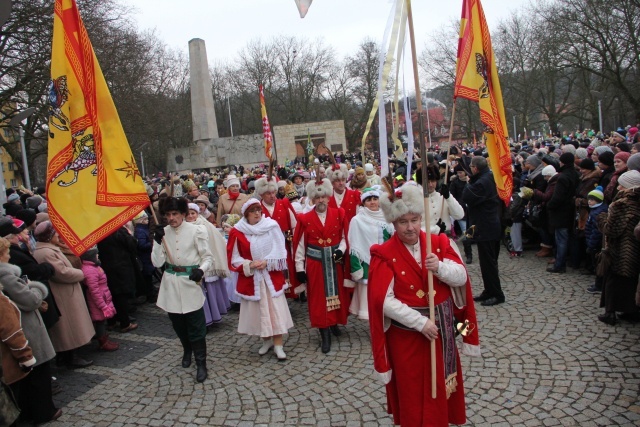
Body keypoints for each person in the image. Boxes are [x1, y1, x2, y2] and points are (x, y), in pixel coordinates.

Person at [367, 182, 480, 427]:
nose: (410, 227)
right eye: (403, 222)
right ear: (394, 223)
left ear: (421, 218)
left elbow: (462, 277)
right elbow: (383, 301)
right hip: (407, 336)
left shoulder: (438, 243)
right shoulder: (384, 253)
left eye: (414, 220)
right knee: (412, 390)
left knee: (441, 386)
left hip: (442, 333)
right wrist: (420, 323)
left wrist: (439, 268)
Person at [152, 197, 215, 382]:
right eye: (168, 215)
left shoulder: (197, 230)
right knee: (178, 324)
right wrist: (156, 242)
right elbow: (157, 262)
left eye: (175, 214)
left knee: (196, 325)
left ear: (183, 214)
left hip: (190, 283)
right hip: (170, 284)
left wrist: (201, 270)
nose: (171, 218)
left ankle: (201, 362)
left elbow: (208, 257)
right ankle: (187, 349)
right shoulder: (162, 232)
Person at [0, 237, 61, 423]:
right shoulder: (6, 276)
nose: (10, 254)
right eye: (6, 251)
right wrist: (35, 289)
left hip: (22, 326)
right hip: (26, 328)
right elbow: (30, 300)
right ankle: (43, 411)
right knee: (38, 374)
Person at [227, 199, 294, 360]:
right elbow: (233, 257)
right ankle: (266, 341)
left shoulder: (271, 226)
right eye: (253, 210)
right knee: (259, 313)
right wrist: (249, 264)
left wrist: (267, 262)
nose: (257, 213)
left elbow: (280, 249)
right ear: (246, 214)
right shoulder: (237, 231)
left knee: (275, 311)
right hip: (252, 279)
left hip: (270, 276)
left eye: (259, 209)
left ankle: (278, 345)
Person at [293, 177, 350, 353]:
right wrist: (299, 269)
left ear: (328, 197)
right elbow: (300, 244)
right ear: (312, 199)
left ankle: (334, 323)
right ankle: (324, 331)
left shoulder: (339, 214)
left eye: (323, 197)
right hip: (316, 264)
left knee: (337, 293)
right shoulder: (304, 218)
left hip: (334, 262)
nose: (320, 201)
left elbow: (344, 237)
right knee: (318, 299)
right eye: (317, 198)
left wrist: (341, 250)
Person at [32, 221, 95, 369]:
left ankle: (70, 355)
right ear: (49, 236)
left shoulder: (48, 249)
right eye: (55, 234)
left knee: (71, 325)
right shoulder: (46, 252)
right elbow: (61, 273)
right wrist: (81, 273)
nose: (58, 236)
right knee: (70, 327)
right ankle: (70, 356)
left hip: (66, 292)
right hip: (64, 293)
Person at [597, 170, 640, 325]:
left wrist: (601, 218)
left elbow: (612, 229)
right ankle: (631, 310)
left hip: (620, 248)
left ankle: (610, 312)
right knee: (630, 281)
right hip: (634, 248)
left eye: (621, 185)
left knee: (613, 281)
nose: (618, 187)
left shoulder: (622, 204)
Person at [463, 156, 505, 306]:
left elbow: (468, 196)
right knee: (485, 262)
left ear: (475, 168)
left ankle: (497, 294)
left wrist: (467, 183)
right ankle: (489, 290)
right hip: (487, 224)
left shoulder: (484, 181)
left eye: (471, 167)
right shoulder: (487, 176)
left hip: (487, 226)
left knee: (489, 263)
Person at [348, 186, 394, 320]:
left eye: (375, 199)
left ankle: (385, 317)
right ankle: (372, 321)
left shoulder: (387, 217)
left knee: (386, 292)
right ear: (363, 202)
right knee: (369, 295)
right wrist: (356, 267)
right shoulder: (357, 220)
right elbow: (354, 245)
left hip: (386, 261)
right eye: (369, 200)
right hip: (367, 263)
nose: (372, 202)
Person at [254, 177, 301, 300]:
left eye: (273, 192)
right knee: (273, 274)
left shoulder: (284, 203)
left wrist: (294, 242)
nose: (272, 195)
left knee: (288, 270)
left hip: (285, 245)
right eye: (268, 193)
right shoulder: (257, 208)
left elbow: (294, 224)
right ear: (261, 194)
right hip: (267, 249)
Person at [186, 203, 230, 325]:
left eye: (193, 213)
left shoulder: (205, 225)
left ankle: (212, 315)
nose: (190, 216)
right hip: (192, 264)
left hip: (207, 263)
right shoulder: (182, 227)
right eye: (188, 213)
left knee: (208, 292)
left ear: (197, 214)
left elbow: (214, 242)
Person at [97, 227, 140, 332]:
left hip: (106, 266)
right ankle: (125, 323)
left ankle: (112, 321)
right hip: (120, 267)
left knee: (110, 295)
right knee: (121, 296)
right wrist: (129, 234)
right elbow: (132, 245)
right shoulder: (117, 230)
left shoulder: (98, 231)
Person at [80, 247, 119, 351]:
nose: (98, 256)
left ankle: (105, 339)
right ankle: (103, 342)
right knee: (100, 321)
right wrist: (103, 306)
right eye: (96, 255)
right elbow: (94, 291)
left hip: (103, 296)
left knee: (102, 320)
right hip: (99, 299)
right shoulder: (90, 270)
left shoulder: (94, 266)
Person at [545, 153, 580, 273]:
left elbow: (558, 197)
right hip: (571, 210)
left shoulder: (563, 177)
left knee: (561, 239)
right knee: (569, 238)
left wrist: (549, 205)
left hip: (561, 212)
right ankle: (573, 262)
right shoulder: (576, 174)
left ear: (563, 162)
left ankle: (560, 265)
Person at [584, 187, 608, 292]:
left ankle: (599, 285)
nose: (589, 201)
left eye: (592, 200)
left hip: (595, 243)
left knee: (598, 264)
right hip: (592, 241)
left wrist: (591, 244)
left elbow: (596, 232)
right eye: (589, 199)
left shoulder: (597, 213)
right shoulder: (595, 210)